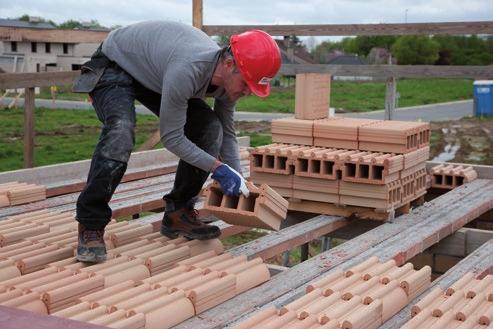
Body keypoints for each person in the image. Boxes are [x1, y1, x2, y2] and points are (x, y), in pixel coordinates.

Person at [72, 20, 281, 263]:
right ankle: (90, 224)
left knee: (209, 128)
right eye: (246, 84)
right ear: (228, 64)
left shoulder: (227, 80)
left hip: (156, 70)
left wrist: (238, 176)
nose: (247, 92)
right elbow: (172, 137)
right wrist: (217, 168)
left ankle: (178, 212)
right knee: (121, 130)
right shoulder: (189, 69)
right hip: (115, 63)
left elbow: (226, 129)